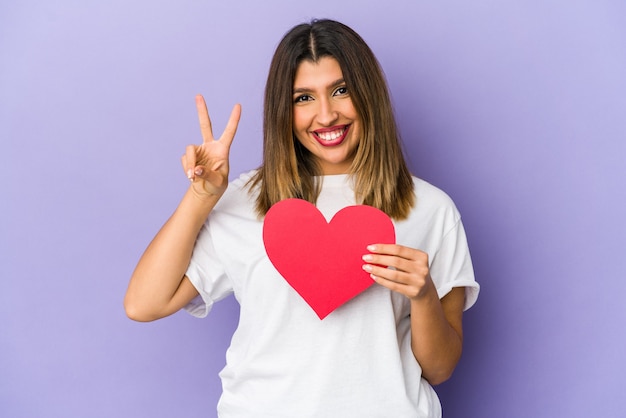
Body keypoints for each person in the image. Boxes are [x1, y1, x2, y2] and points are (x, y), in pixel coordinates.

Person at [125, 18, 479, 418]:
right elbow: (144, 304)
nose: (326, 115)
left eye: (341, 91)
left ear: (369, 96)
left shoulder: (430, 208)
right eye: (303, 98)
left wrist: (424, 295)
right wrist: (200, 198)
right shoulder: (247, 201)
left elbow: (440, 368)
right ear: (284, 110)